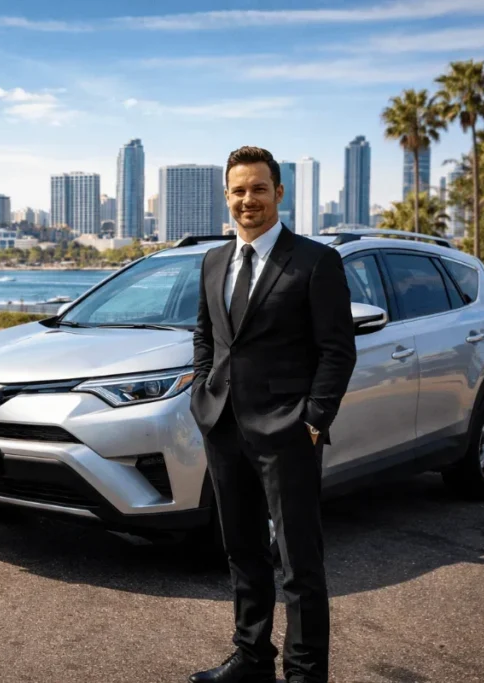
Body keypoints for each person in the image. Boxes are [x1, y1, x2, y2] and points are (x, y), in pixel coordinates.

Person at [188, 146, 357, 683]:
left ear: (279, 193)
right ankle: (252, 659)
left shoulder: (314, 261)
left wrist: (313, 420)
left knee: (299, 564)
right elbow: (206, 337)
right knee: (242, 552)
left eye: (259, 189)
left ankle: (305, 674)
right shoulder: (213, 261)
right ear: (227, 197)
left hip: (288, 433)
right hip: (223, 428)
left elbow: (338, 350)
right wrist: (202, 396)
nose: (248, 200)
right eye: (238, 190)